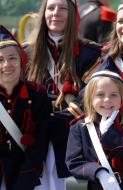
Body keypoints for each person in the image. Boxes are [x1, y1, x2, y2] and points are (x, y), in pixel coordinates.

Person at [24, 0, 102, 188]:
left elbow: (93, 91)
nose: (56, 13)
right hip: (35, 138)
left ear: (72, 15)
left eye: (62, 9)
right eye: (51, 8)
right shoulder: (25, 52)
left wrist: (64, 117)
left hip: (73, 136)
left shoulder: (89, 53)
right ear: (43, 13)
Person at [66, 70, 123, 190]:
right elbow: (73, 162)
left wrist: (110, 135)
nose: (107, 100)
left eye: (114, 95)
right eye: (100, 95)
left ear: (122, 98)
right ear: (90, 98)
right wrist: (99, 172)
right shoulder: (79, 127)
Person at [0, 25, 51, 190]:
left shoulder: (37, 94)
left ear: (21, 60)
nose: (7, 64)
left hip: (27, 171)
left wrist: (26, 177)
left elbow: (41, 140)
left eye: (12, 58)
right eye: (0, 59)